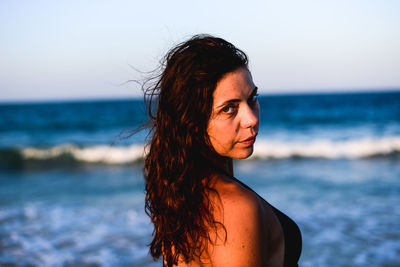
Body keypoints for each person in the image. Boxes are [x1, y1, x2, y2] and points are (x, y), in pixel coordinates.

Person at [142, 34, 302, 267]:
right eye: (229, 108)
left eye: (252, 98)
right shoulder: (234, 206)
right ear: (193, 122)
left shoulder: (181, 193)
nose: (251, 118)